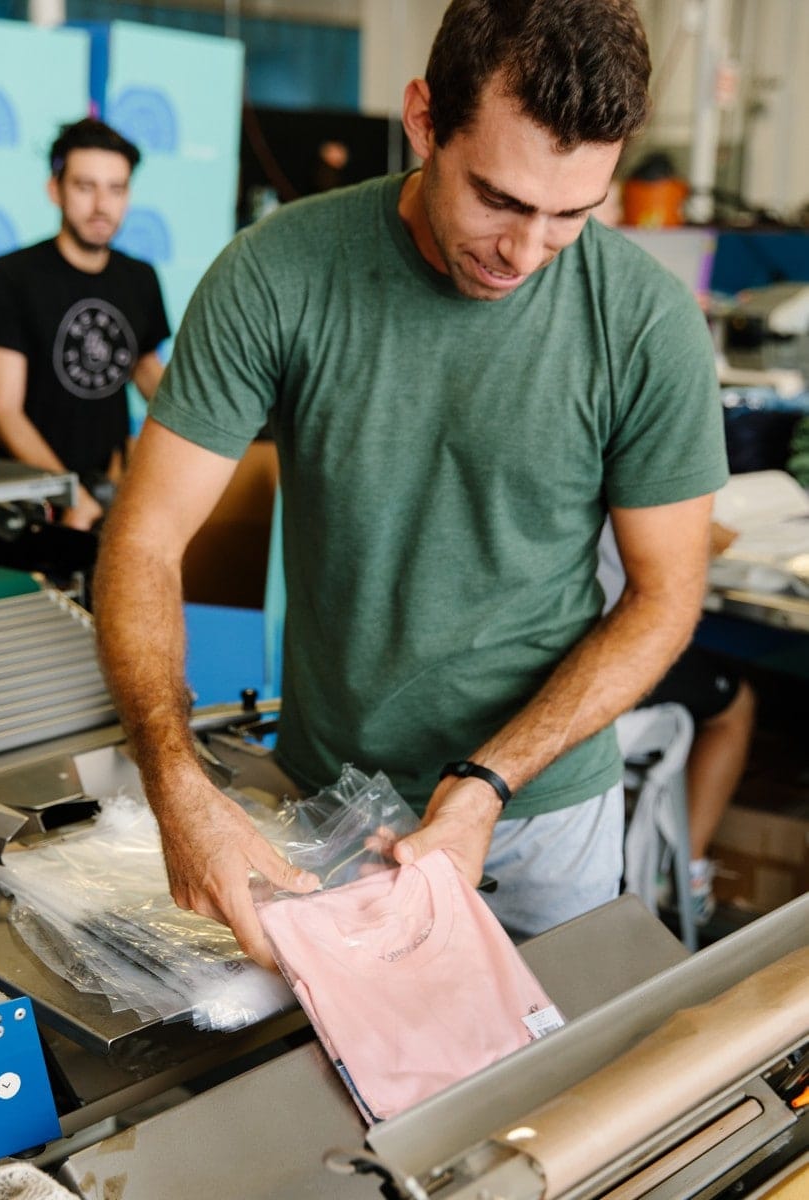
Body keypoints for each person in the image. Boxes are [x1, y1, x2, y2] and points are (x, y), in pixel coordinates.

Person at [94, 0, 729, 970]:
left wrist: (487, 782)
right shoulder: (280, 273)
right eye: (501, 201)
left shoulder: (644, 324)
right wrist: (176, 782)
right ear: (424, 120)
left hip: (542, 817)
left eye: (571, 216)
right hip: (330, 809)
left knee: (558, 1106)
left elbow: (665, 594)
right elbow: (144, 540)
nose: (526, 254)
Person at [0, 117, 171, 531]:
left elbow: (145, 367)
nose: (102, 205)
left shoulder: (140, 277)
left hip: (110, 492)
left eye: (116, 189)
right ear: (55, 189)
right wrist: (71, 495)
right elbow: (5, 411)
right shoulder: (10, 277)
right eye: (85, 187)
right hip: (26, 498)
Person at [598, 521, 756, 924]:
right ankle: (690, 871)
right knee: (736, 705)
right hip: (606, 659)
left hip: (562, 654)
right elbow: (702, 540)